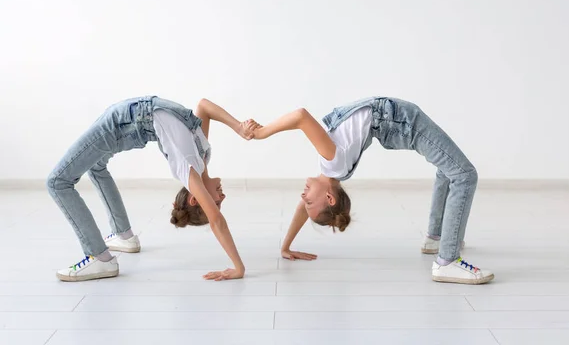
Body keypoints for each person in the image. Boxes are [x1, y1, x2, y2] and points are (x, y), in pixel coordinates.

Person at [253, 96, 494, 285]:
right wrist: (261, 133)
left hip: (395, 120)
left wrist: (285, 246)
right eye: (308, 202)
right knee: (464, 175)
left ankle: (436, 239)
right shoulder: (332, 161)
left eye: (304, 202)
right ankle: (447, 261)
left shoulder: (330, 169)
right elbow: (300, 116)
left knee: (448, 168)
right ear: (328, 197)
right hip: (402, 121)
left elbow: (305, 208)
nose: (302, 198)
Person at [47, 96, 258, 282]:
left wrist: (239, 268)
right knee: (96, 165)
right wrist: (239, 127)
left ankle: (99, 258)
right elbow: (204, 106)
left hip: (119, 125)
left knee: (57, 182)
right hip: (127, 122)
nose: (223, 196)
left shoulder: (187, 169)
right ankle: (124, 235)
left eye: (217, 203)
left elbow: (217, 222)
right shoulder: (202, 158)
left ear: (196, 199)